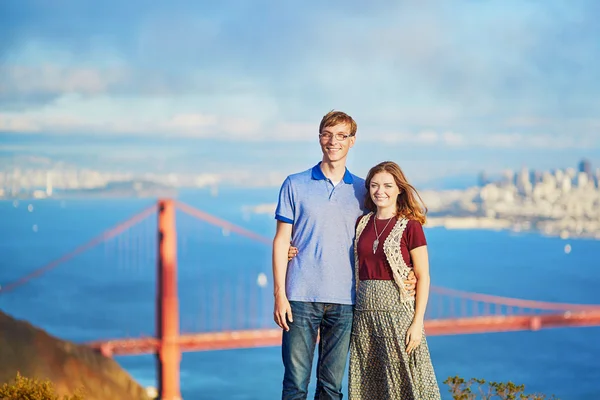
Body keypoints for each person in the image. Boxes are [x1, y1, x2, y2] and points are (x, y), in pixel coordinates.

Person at [272, 111, 416, 400]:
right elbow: (280, 240)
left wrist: (408, 270)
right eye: (327, 134)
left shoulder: (364, 189)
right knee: (295, 385)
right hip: (300, 297)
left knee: (331, 388)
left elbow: (388, 230)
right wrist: (279, 294)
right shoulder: (294, 184)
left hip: (347, 301)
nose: (333, 141)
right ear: (319, 138)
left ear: (352, 141)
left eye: (341, 136)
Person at [349, 161, 440, 399]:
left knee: (402, 384)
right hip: (364, 317)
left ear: (399, 189)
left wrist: (417, 323)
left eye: (388, 185)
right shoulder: (362, 224)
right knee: (368, 385)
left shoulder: (411, 226)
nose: (381, 191)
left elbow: (423, 276)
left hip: (398, 316)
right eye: (375, 185)